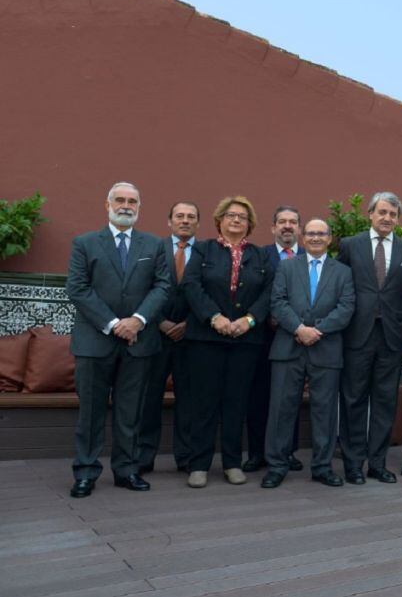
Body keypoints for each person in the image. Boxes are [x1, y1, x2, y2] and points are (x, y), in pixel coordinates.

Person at [67, 182, 170, 498]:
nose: (126, 205)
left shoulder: (153, 245)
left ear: (139, 207)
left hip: (138, 342)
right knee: (91, 413)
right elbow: (78, 289)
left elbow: (163, 287)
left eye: (132, 201)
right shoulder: (85, 243)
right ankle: (85, 472)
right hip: (95, 342)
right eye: (120, 200)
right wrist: (113, 324)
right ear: (107, 204)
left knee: (131, 412)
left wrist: (137, 320)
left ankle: (127, 470)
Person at [182, 196, 274, 488]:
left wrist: (248, 320)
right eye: (231, 215)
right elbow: (191, 285)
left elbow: (269, 293)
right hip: (206, 338)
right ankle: (199, 465)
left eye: (243, 217)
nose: (237, 220)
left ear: (250, 224)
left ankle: (232, 462)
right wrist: (214, 317)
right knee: (204, 402)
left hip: (245, 340)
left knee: (236, 403)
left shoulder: (260, 256)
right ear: (219, 219)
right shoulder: (203, 248)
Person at [261, 219, 355, 488]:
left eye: (321, 234)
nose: (315, 237)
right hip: (288, 347)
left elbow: (346, 307)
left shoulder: (343, 272)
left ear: (330, 239)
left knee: (325, 411)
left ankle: (322, 467)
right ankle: (277, 466)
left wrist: (317, 330)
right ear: (303, 238)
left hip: (326, 348)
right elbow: (277, 302)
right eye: (310, 233)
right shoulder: (287, 266)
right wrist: (299, 329)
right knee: (281, 408)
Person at [336, 191, 402, 484]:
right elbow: (339, 287)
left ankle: (378, 463)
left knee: (385, 402)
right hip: (356, 335)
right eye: (382, 212)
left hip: (390, 339)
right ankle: (353, 464)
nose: (387, 218)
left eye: (393, 214)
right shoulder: (349, 245)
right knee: (353, 400)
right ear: (370, 214)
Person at [136, 201, 199, 476]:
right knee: (149, 399)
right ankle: (143, 456)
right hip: (155, 335)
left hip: (191, 337)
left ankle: (185, 457)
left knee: (189, 400)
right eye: (180, 216)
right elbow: (143, 288)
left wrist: (189, 323)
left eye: (191, 217)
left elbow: (210, 294)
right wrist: (159, 321)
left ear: (198, 223)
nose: (185, 221)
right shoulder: (153, 248)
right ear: (169, 221)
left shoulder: (207, 252)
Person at [244, 205, 305, 474]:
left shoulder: (309, 256)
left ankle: (287, 451)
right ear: (273, 228)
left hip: (297, 338)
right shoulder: (259, 255)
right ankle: (258, 452)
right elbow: (254, 291)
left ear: (299, 229)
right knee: (260, 396)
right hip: (263, 337)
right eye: (282, 221)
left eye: (293, 222)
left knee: (290, 396)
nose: (288, 226)